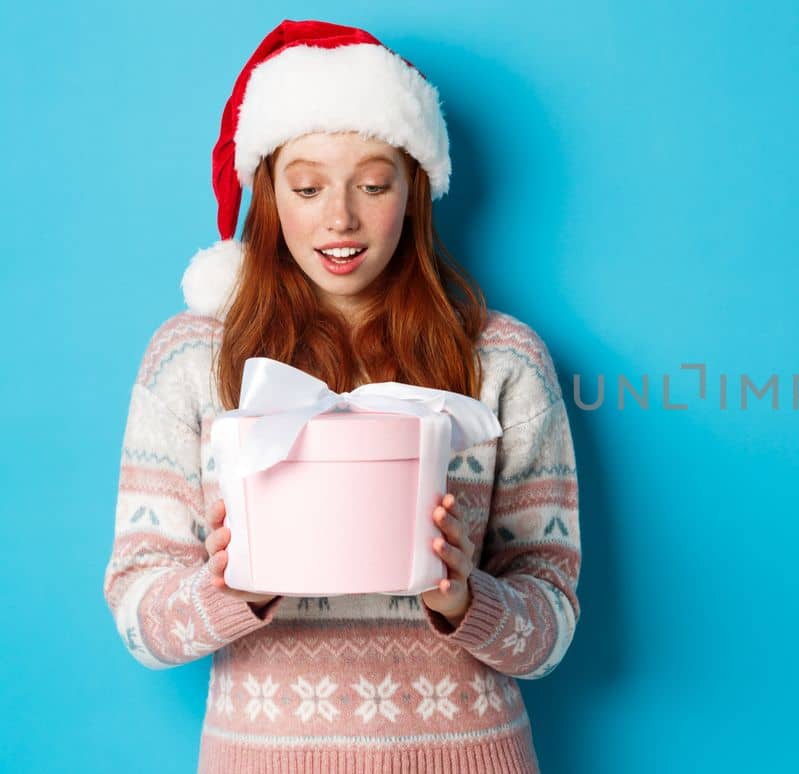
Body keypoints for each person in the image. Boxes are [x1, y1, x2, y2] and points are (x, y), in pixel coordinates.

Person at [102, 19, 580, 773]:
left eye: (373, 182)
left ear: (413, 190)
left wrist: (463, 595)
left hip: (466, 754)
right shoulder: (192, 359)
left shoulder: (502, 359)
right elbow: (138, 618)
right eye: (308, 184)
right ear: (269, 193)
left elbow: (550, 627)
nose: (340, 218)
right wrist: (231, 588)